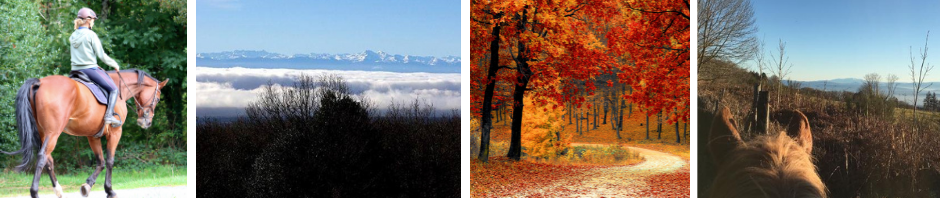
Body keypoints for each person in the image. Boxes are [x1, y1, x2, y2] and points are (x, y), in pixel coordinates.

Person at [70, 7, 122, 128]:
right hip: (89, 70)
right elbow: (101, 55)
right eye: (93, 19)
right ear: (88, 20)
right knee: (114, 89)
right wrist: (114, 64)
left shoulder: (73, 35)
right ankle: (109, 116)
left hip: (74, 71)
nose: (93, 22)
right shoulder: (91, 34)